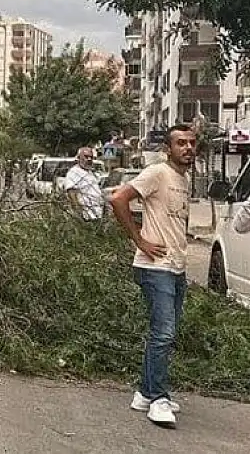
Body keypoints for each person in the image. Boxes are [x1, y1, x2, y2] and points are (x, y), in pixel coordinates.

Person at [109, 124, 195, 427]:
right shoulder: (157, 173)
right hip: (154, 268)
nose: (187, 148)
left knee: (163, 334)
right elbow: (119, 199)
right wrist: (139, 240)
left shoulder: (183, 179)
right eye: (180, 143)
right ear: (167, 149)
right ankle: (158, 399)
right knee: (163, 333)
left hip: (175, 268)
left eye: (191, 143)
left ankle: (145, 393)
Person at [64, 147, 104, 221]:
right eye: (86, 157)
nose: (89, 159)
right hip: (86, 216)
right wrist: (79, 215)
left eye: (91, 157)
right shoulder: (74, 172)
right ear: (79, 158)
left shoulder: (90, 172)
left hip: (96, 214)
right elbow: (72, 194)